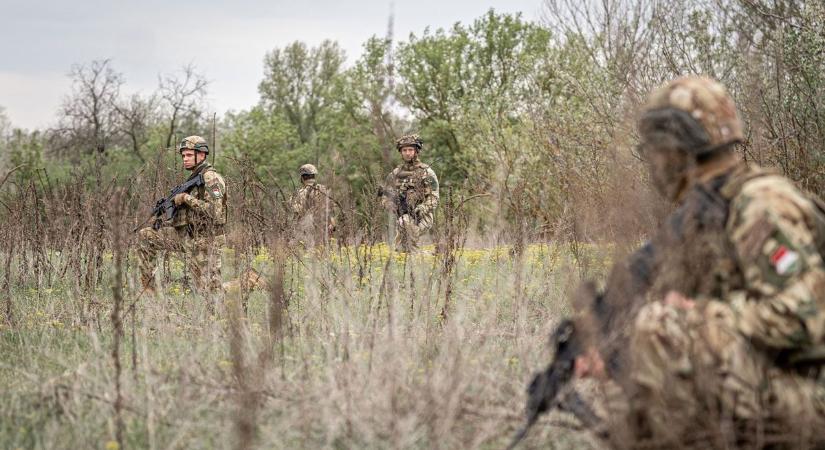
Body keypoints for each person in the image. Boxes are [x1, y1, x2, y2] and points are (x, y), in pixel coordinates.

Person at [573, 76, 825, 447]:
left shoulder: (760, 204)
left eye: (655, 150)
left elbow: (805, 317)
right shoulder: (705, 212)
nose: (653, 163)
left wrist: (700, 317)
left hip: (812, 391)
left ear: (678, 147)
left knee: (661, 328)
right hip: (783, 381)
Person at [138, 135, 227, 300]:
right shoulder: (192, 179)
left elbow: (215, 212)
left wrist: (186, 198)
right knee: (146, 235)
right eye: (183, 156)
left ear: (201, 155)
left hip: (205, 239)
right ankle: (148, 292)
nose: (184, 159)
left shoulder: (211, 178)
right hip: (185, 235)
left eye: (188, 155)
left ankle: (245, 284)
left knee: (210, 292)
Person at [380, 134, 439, 252]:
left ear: (416, 151)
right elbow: (384, 198)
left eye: (410, 150)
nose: (407, 153)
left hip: (423, 217)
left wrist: (422, 208)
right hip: (401, 217)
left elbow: (434, 198)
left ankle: (416, 256)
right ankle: (422, 258)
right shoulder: (395, 174)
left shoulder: (426, 172)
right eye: (404, 150)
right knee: (401, 247)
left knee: (405, 225)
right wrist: (391, 206)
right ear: (401, 152)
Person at [288, 163, 335, 247]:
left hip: (308, 229)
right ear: (314, 176)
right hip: (324, 227)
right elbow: (330, 209)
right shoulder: (323, 189)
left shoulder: (299, 193)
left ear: (302, 177)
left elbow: (298, 213)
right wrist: (332, 224)